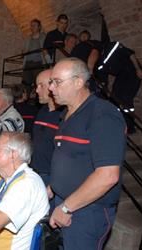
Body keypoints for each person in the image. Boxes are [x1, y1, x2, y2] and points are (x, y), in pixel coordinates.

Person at [47, 58, 126, 250]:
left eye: (57, 82)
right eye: (51, 81)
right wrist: (52, 187)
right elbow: (71, 158)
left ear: (78, 82)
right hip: (62, 202)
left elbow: (107, 175)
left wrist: (66, 207)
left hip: (86, 211)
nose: (51, 87)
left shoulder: (102, 114)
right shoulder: (67, 114)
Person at [97, 41, 142, 133]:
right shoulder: (102, 60)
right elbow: (103, 73)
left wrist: (137, 69)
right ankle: (117, 124)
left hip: (131, 72)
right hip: (122, 75)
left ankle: (129, 126)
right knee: (115, 97)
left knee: (126, 98)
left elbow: (130, 54)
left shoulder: (111, 47)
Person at [0, 88, 24, 186]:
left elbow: (6, 137)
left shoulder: (13, 117)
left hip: (5, 166)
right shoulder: (1, 116)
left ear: (5, 101)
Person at [30, 69, 62, 187]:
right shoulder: (41, 111)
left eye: (41, 85)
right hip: (35, 173)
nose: (37, 90)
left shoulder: (64, 115)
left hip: (51, 178)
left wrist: (55, 183)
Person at [22, 19, 46, 95]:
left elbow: (45, 50)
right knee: (26, 84)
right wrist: (23, 52)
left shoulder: (43, 37)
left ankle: (37, 102)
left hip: (38, 63)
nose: (32, 27)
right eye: (31, 25)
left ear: (39, 27)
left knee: (38, 83)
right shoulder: (28, 38)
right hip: (28, 63)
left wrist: (48, 62)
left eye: (34, 25)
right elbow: (24, 50)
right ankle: (25, 101)